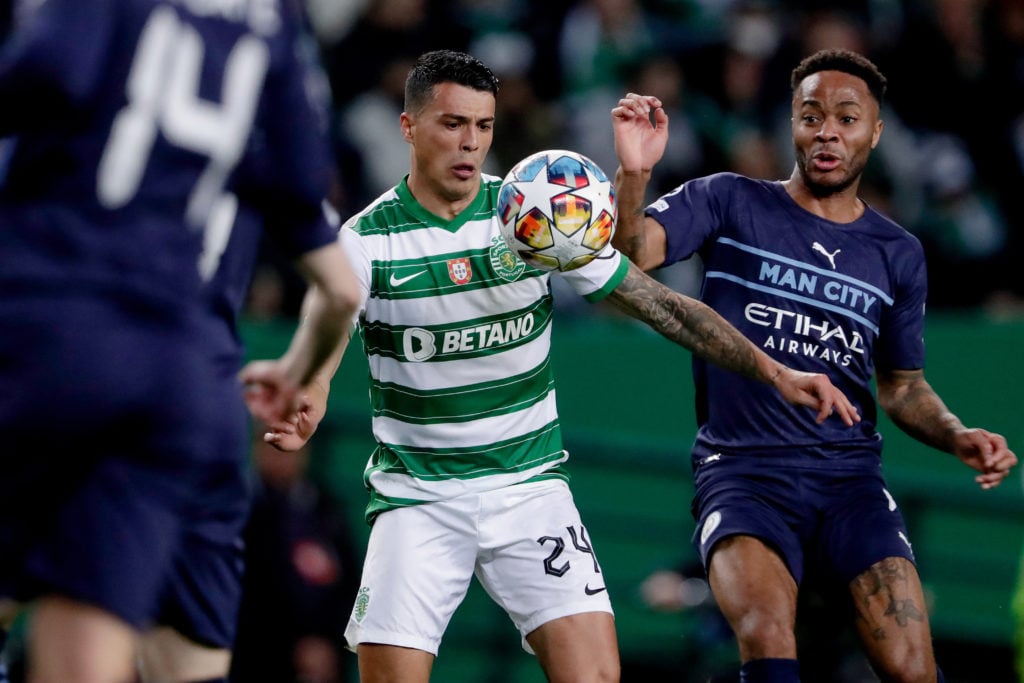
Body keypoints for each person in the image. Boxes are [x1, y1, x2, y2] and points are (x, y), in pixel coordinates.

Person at [261, 49, 859, 683]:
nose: (470, 145)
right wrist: (317, 385)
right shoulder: (368, 239)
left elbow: (662, 307)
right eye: (451, 124)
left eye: (483, 127)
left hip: (529, 490)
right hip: (419, 498)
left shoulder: (533, 216)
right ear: (409, 128)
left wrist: (774, 371)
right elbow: (329, 318)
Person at [610, 48, 1018, 683]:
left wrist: (956, 432)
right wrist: (633, 174)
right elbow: (632, 257)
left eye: (847, 118)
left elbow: (902, 387)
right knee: (768, 639)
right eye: (811, 115)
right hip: (745, 474)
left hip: (850, 484)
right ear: (793, 125)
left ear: (874, 133)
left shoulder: (899, 253)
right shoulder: (727, 199)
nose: (827, 130)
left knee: (914, 667)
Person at [0, 2, 360, 683]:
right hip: (189, 382)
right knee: (116, 639)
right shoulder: (273, 21)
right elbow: (338, 281)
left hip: (53, 328)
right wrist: (303, 373)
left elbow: (50, 70)